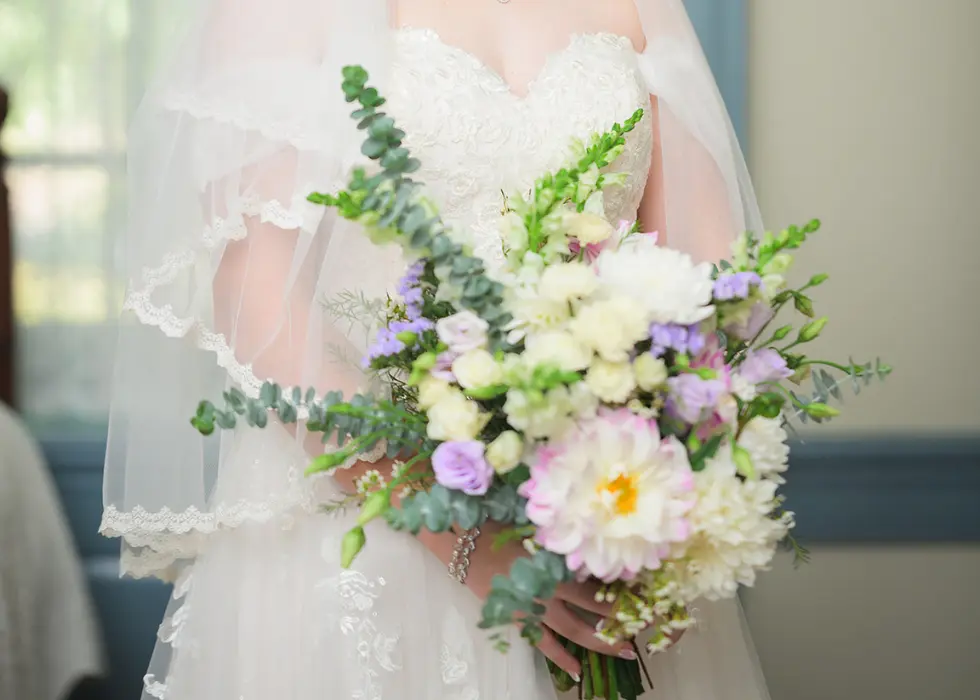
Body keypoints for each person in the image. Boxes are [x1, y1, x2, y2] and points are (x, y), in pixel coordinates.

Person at [101, 0, 771, 697]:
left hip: (601, 516)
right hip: (358, 518)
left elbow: (706, 283)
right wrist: (466, 538)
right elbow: (260, 306)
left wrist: (636, 470)